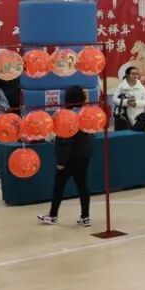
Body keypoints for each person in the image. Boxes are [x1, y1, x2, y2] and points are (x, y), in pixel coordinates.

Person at [37, 85, 93, 227]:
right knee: (82, 186)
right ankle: (85, 216)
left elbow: (64, 141)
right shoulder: (85, 114)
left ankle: (53, 215)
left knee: (59, 187)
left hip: (69, 159)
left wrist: (61, 161)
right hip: (83, 156)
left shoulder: (65, 117)